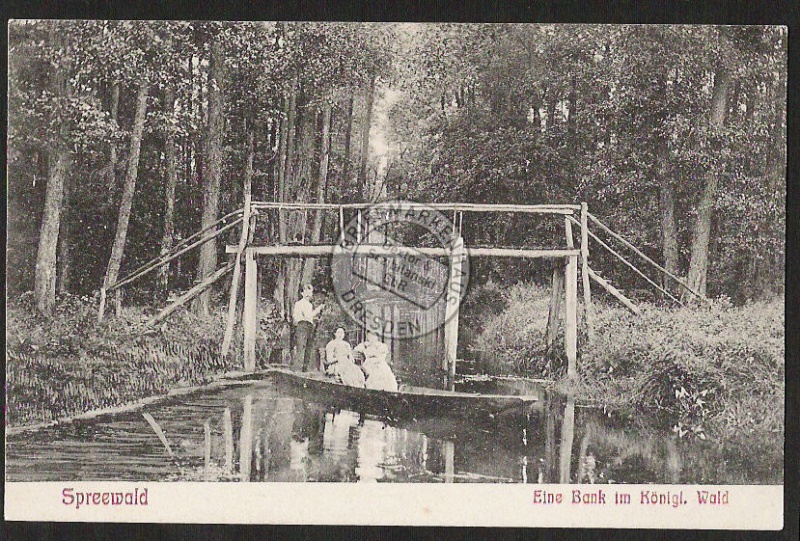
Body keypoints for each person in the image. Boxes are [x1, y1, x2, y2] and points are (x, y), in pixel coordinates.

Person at [292, 284, 324, 371]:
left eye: (310, 293)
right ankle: (297, 369)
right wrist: (318, 309)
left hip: (309, 326)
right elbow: (306, 315)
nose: (308, 295)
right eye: (306, 292)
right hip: (302, 326)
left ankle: (304, 370)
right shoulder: (299, 303)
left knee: (308, 347)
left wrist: (315, 319)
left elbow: (309, 317)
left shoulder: (309, 305)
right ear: (302, 293)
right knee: (301, 347)